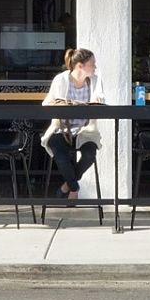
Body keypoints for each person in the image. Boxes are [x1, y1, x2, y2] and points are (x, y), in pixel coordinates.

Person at [41, 45, 104, 204]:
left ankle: (65, 186)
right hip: (62, 130)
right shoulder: (61, 79)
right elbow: (47, 103)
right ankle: (74, 188)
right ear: (80, 66)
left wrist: (98, 101)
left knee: (90, 155)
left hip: (85, 131)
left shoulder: (95, 81)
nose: (95, 67)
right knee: (59, 153)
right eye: (92, 64)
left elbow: (100, 99)